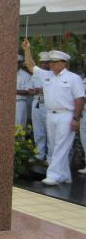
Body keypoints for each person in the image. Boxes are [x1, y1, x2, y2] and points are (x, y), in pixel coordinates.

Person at [22, 39, 85, 185]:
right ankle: (64, 175)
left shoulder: (73, 78)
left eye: (55, 62)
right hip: (50, 114)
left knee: (61, 145)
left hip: (66, 114)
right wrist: (27, 50)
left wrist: (76, 118)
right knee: (54, 144)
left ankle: (53, 174)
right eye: (51, 62)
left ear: (64, 63)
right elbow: (31, 66)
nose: (52, 64)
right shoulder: (47, 75)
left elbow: (80, 99)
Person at [28, 52, 51, 162]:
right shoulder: (35, 75)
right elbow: (30, 89)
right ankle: (40, 154)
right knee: (38, 131)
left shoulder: (54, 75)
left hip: (49, 105)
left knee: (50, 132)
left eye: (46, 63)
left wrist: (41, 90)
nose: (44, 65)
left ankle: (50, 157)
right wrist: (33, 91)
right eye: (42, 63)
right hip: (37, 103)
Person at [15, 54, 31, 127]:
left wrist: (14, 91)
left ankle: (19, 139)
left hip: (20, 103)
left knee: (19, 125)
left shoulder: (26, 76)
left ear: (20, 63)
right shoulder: (6, 73)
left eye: (17, 62)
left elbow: (27, 91)